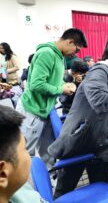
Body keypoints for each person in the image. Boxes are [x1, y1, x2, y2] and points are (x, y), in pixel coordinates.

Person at [48, 36, 108, 198]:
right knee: (65, 190)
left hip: (100, 146)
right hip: (79, 142)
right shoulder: (100, 71)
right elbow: (99, 101)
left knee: (100, 189)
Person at [16, 28, 87, 167]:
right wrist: (61, 89)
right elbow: (36, 84)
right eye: (76, 50)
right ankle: (25, 186)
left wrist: (65, 85)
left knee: (48, 151)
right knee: (25, 154)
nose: (75, 54)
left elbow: (53, 80)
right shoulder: (46, 53)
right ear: (70, 42)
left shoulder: (59, 56)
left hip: (45, 109)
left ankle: (49, 180)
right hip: (33, 110)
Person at [0, 105, 48, 203]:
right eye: (25, 148)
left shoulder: (15, 187)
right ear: (3, 174)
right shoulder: (14, 184)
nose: (28, 155)